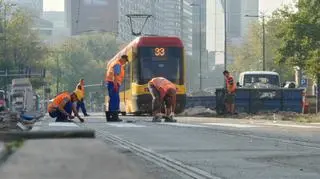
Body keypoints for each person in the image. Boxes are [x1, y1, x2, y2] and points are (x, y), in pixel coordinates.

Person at [104, 54, 128, 122]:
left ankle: (110, 117)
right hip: (113, 83)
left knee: (112, 100)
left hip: (111, 83)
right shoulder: (118, 64)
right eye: (125, 61)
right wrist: (115, 85)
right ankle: (114, 117)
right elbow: (116, 75)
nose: (125, 63)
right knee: (115, 100)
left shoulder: (114, 63)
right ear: (123, 59)